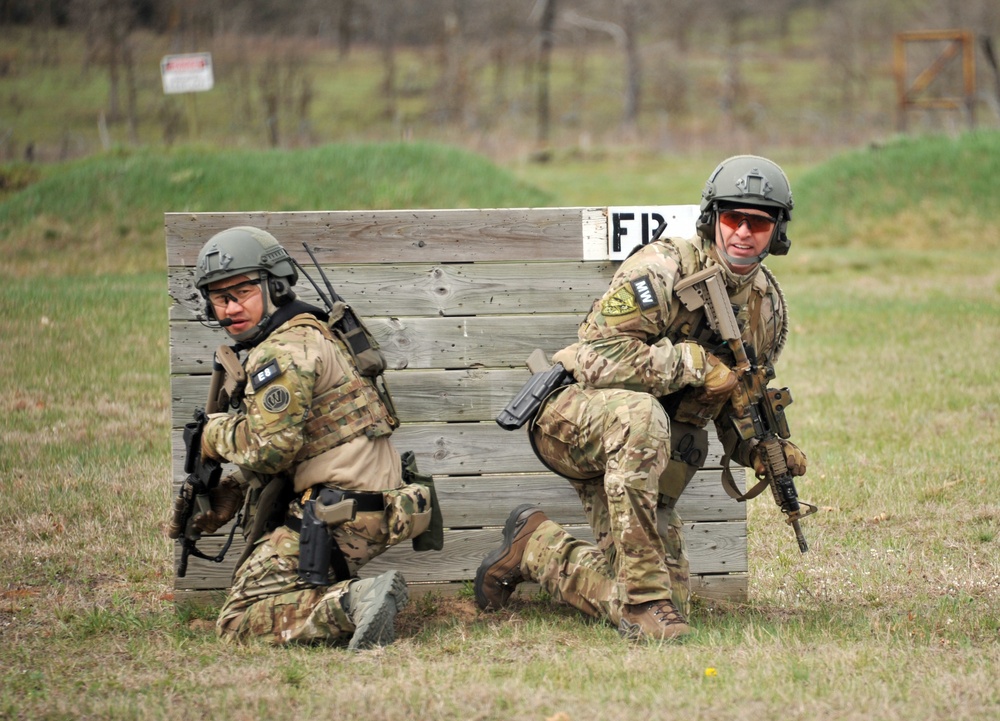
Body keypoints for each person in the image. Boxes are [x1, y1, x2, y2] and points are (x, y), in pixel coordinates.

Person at [474, 155, 808, 641]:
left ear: (776, 232)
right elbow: (594, 355)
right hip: (575, 420)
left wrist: (759, 450)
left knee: (675, 602)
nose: (743, 233)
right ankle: (643, 601)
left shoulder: (765, 305)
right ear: (712, 219)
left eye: (758, 223)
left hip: (644, 459)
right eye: (734, 218)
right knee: (641, 415)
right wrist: (689, 364)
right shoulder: (663, 267)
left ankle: (536, 548)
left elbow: (736, 397)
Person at [168, 226, 439, 649]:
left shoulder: (282, 350)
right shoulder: (314, 329)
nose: (229, 309)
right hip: (368, 502)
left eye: (241, 292)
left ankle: (356, 602)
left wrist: (212, 435)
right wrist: (236, 488)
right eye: (218, 298)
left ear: (275, 286)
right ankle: (343, 597)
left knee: (237, 622)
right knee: (270, 596)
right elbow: (314, 438)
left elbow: (273, 448)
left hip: (340, 511)